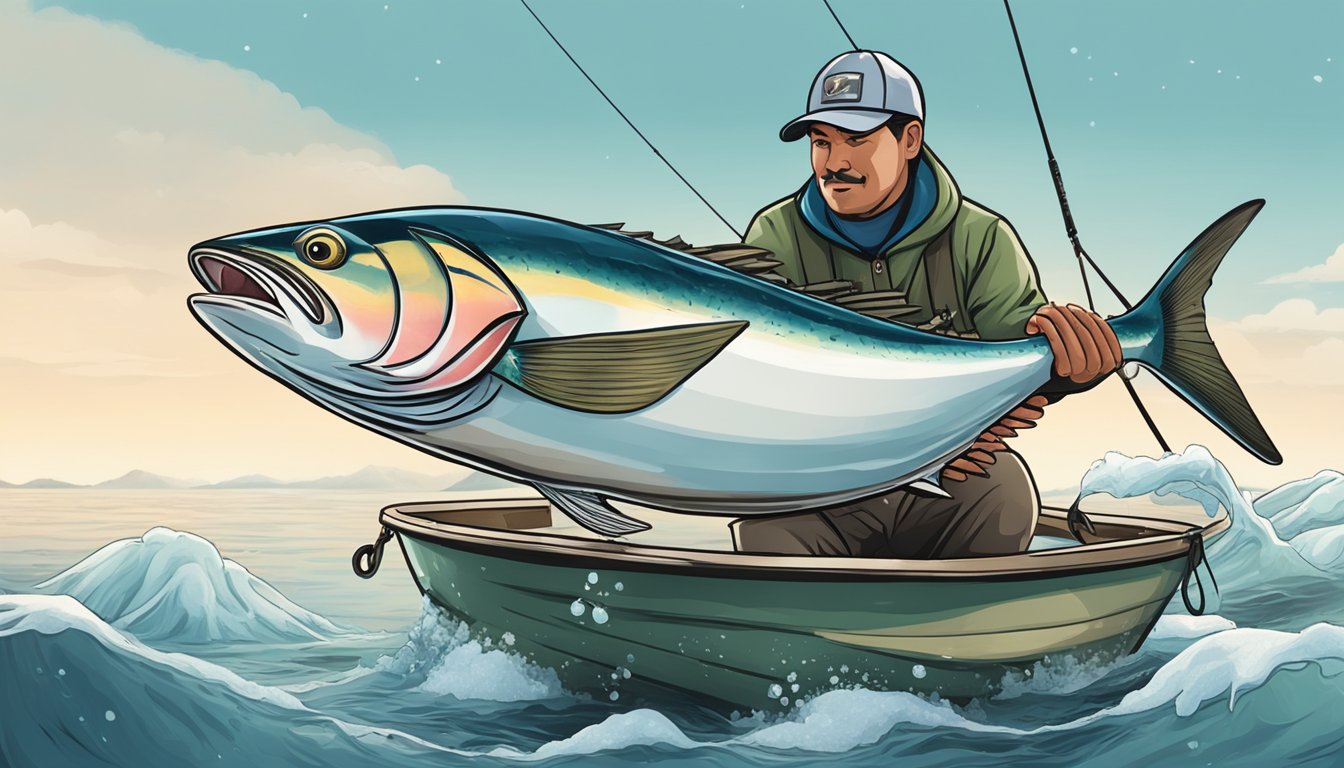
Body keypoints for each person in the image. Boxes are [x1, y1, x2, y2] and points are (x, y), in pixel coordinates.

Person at [731, 50, 1121, 559]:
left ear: (910, 139)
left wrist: (1076, 364)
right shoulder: (773, 234)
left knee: (1002, 492)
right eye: (821, 142)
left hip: (949, 468)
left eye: (856, 139)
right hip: (825, 481)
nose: (835, 162)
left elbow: (1025, 350)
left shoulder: (982, 237)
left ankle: (960, 629)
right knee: (762, 522)